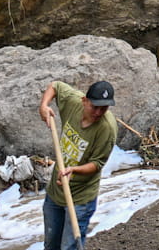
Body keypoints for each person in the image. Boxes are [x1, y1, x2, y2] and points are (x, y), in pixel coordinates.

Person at [39, 79, 117, 250]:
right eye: (94, 107)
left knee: (69, 246)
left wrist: (74, 170)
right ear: (84, 101)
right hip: (56, 191)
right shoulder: (73, 102)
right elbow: (55, 86)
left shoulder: (107, 129)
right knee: (51, 244)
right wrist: (44, 105)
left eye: (103, 108)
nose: (98, 112)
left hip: (81, 198)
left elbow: (97, 164)